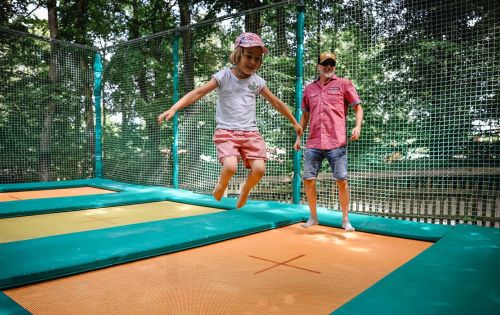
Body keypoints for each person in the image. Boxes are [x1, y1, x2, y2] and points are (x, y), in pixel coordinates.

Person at [158, 32, 303, 208]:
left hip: (250, 133)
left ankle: (245, 190)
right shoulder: (224, 76)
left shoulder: (256, 81)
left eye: (257, 59)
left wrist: (295, 122)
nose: (252, 62)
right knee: (230, 167)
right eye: (249, 56)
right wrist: (174, 108)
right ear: (238, 54)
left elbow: (276, 102)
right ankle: (221, 184)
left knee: (259, 169)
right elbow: (199, 92)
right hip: (226, 132)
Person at [294, 52, 363, 231]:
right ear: (318, 66)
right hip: (314, 142)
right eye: (325, 63)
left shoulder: (344, 84)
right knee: (308, 180)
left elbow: (358, 107)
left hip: (336, 142)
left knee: (341, 180)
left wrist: (358, 126)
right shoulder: (309, 89)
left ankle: (345, 220)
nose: (329, 66)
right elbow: (305, 115)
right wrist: (299, 136)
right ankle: (313, 217)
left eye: (332, 63)